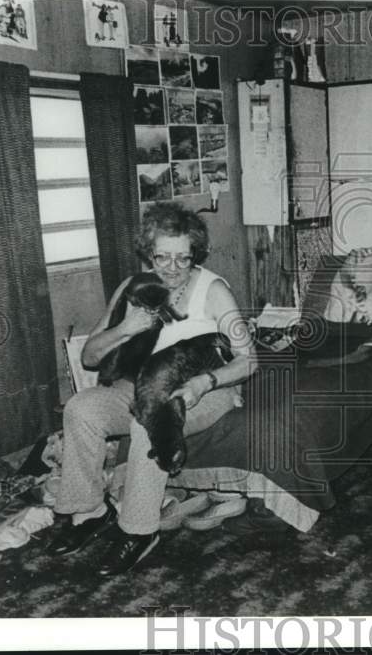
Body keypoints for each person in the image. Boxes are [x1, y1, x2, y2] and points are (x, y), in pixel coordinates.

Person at [47, 202, 256, 575]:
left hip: (205, 390)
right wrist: (126, 328)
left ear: (195, 254)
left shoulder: (213, 291)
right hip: (142, 385)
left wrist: (204, 382)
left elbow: (249, 360)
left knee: (152, 420)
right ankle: (89, 511)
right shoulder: (134, 287)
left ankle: (139, 531)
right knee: (81, 408)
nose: (172, 268)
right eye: (162, 258)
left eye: (183, 258)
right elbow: (91, 357)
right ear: (149, 254)